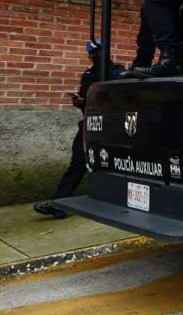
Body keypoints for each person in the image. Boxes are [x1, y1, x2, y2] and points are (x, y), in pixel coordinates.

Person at [34, 42, 125, 218]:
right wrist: (80, 102)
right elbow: (86, 101)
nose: (97, 55)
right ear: (90, 56)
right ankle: (59, 203)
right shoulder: (88, 75)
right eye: (93, 53)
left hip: (112, 125)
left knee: (117, 164)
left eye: (100, 51)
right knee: (78, 163)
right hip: (91, 124)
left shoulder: (118, 73)